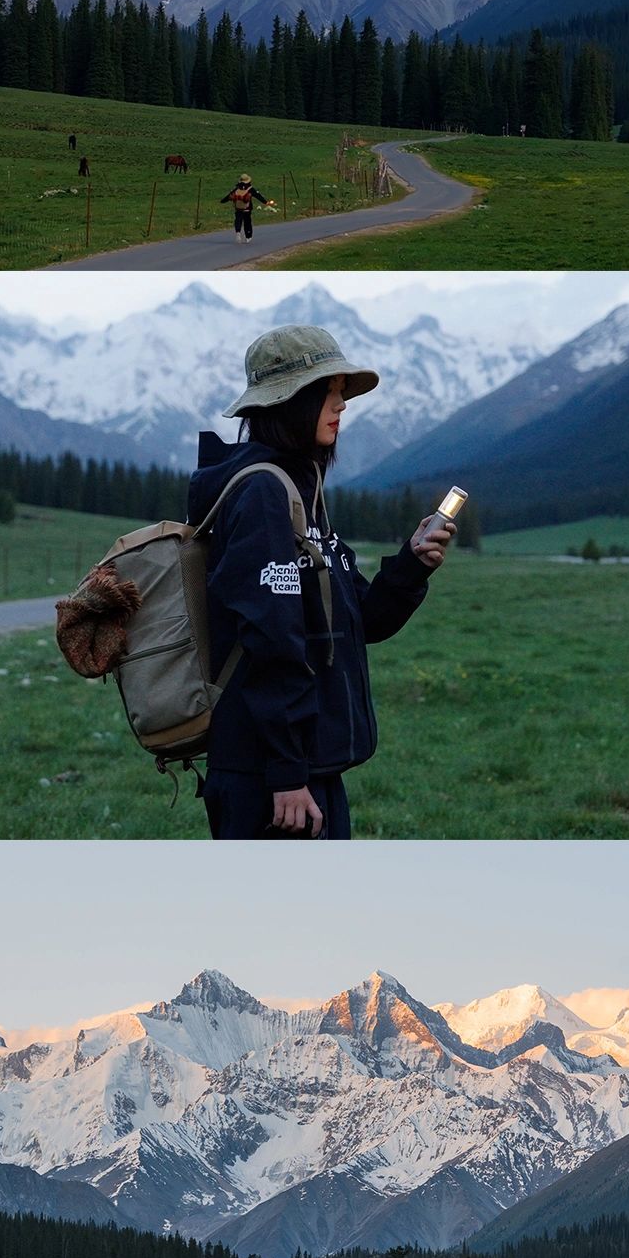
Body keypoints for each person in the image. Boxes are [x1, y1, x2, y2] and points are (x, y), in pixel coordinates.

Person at [186, 324, 452, 839]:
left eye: (340, 394)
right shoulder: (265, 494)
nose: (342, 406)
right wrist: (286, 772)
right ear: (290, 402)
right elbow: (271, 639)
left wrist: (411, 565)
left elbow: (361, 620)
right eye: (328, 393)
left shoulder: (301, 495)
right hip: (270, 781)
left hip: (304, 771)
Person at [219, 173, 270, 240]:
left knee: (238, 219)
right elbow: (258, 196)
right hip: (247, 208)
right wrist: (265, 202)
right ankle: (248, 236)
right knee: (247, 222)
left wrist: (222, 201)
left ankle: (238, 232)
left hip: (238, 208)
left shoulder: (237, 188)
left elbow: (229, 196)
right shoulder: (250, 188)